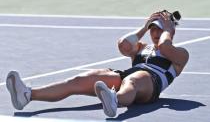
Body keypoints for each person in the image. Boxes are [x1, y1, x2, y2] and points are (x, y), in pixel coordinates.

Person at [6, 10, 189, 117]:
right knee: (79, 80)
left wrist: (168, 29)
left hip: (150, 85)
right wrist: (144, 26)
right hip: (125, 78)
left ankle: (114, 100)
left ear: (170, 30)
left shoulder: (180, 55)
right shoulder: (141, 46)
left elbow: (165, 47)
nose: (155, 32)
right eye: (153, 29)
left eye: (159, 29)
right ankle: (28, 95)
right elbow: (123, 45)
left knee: (133, 80)